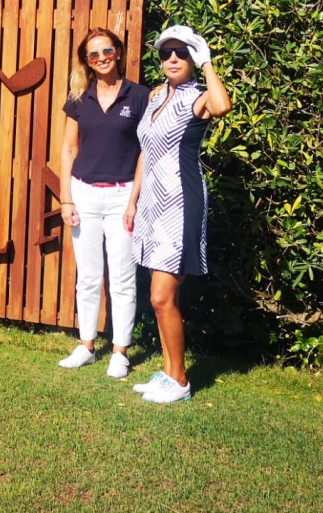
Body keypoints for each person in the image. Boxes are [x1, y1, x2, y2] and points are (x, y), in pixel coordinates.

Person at [128, 25, 232, 403]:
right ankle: (170, 373)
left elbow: (222, 107)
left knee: (161, 297)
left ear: (191, 57)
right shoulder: (156, 98)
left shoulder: (199, 98)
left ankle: (181, 382)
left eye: (181, 52)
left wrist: (207, 63)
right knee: (159, 297)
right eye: (166, 52)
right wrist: (133, 201)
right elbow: (146, 151)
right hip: (152, 205)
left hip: (181, 203)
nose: (173, 58)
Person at [57, 28, 150, 378]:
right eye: (92, 55)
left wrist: (134, 200)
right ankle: (86, 345)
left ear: (118, 52)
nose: (101, 58)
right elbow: (68, 150)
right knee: (89, 276)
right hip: (84, 194)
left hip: (123, 195)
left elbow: (146, 151)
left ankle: (120, 352)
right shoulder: (79, 98)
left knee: (124, 276)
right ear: (87, 62)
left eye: (106, 51)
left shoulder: (139, 96)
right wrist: (66, 199)